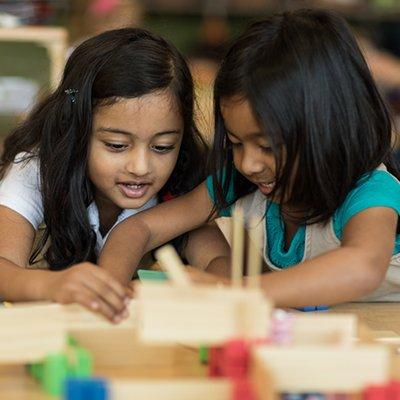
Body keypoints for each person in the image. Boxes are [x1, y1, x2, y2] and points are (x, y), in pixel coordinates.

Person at [99, 9, 400, 307]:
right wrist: (109, 294)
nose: (247, 164)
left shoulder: (369, 190)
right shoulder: (238, 182)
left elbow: (362, 267)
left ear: (330, 127)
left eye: (267, 147)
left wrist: (235, 292)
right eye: (235, 143)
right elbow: (140, 228)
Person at [0, 27, 220, 321]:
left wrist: (214, 286)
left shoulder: (183, 182)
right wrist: (52, 284)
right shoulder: (37, 169)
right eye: (116, 145)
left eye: (163, 146)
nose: (140, 167)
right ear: (76, 129)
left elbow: (217, 260)